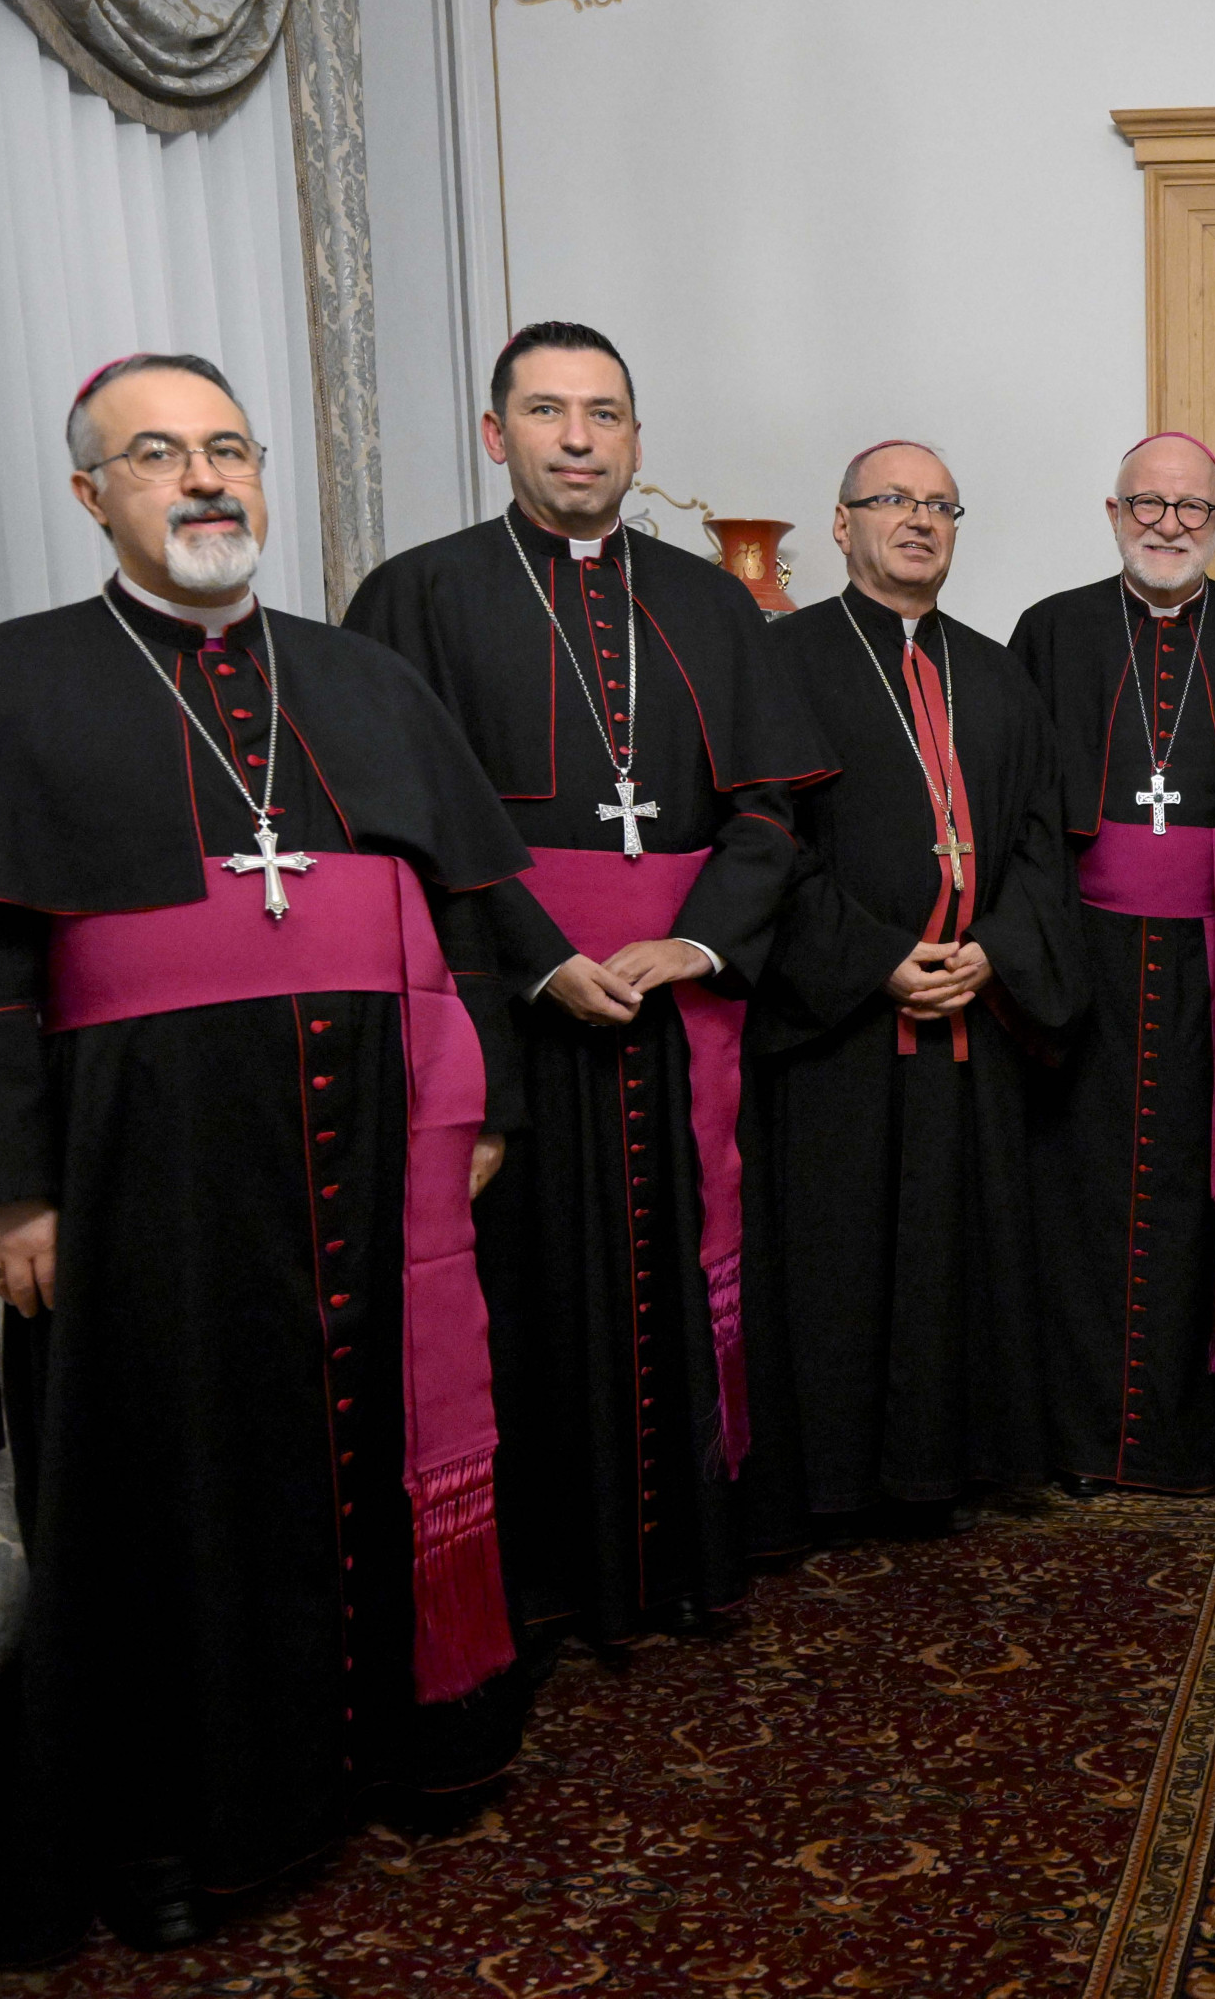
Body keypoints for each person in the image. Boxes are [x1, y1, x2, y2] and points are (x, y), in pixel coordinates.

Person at [0, 355, 550, 1960]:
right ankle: (165, 1822)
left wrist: (478, 1109)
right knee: (162, 1491)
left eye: (227, 450)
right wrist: (0, 1191)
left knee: (369, 1443)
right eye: (160, 456)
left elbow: (464, 921)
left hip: (368, 1148)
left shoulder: (359, 681)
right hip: (140, 1168)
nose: (204, 480)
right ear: (93, 494)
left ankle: (384, 1749)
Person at [345, 323, 833, 1644]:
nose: (579, 437)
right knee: (529, 1298)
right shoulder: (417, 597)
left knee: (689, 1275)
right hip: (512, 1015)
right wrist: (543, 957)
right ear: (498, 436)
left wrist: (703, 942)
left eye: (605, 414)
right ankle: (546, 1581)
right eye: (550, 413)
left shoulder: (712, 603)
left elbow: (772, 811)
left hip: (683, 1006)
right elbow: (408, 831)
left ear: (634, 439)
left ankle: (690, 1557)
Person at [742, 441, 1083, 1530]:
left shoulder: (998, 673)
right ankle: (839, 1479)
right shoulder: (782, 662)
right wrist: (876, 957)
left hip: (972, 1008)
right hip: (843, 1021)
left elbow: (1039, 843)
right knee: (841, 1255)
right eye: (893, 500)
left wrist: (996, 949)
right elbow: (763, 843)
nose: (920, 521)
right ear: (841, 525)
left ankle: (959, 1461)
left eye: (941, 505)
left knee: (961, 1248)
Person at [1006, 432, 1215, 1495]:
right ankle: (1082, 1435)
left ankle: (1199, 1438)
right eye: (1150, 503)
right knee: (1080, 1187)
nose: (1170, 523)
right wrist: (1028, 963)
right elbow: (1018, 816)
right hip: (1082, 955)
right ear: (1113, 511)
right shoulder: (1049, 632)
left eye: (1193, 508)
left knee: (1205, 1186)